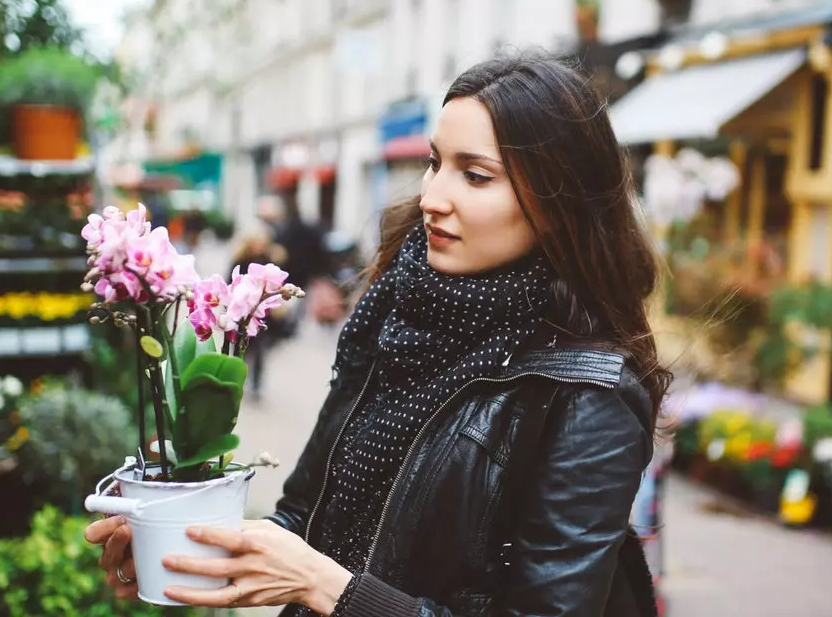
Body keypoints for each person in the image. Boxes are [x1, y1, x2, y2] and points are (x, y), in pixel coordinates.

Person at [85, 53, 671, 616]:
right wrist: (188, 539)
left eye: (475, 175)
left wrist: (328, 589)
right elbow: (306, 518)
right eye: (435, 163)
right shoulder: (394, 313)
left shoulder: (588, 399)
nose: (433, 198)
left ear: (559, 200)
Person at [230, 228, 291, 401]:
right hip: (241, 313)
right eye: (256, 241)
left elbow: (280, 285)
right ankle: (235, 379)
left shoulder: (270, 262)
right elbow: (230, 284)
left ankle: (255, 384)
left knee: (259, 351)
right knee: (240, 349)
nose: (260, 245)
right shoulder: (240, 261)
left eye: (263, 242)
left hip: (263, 314)